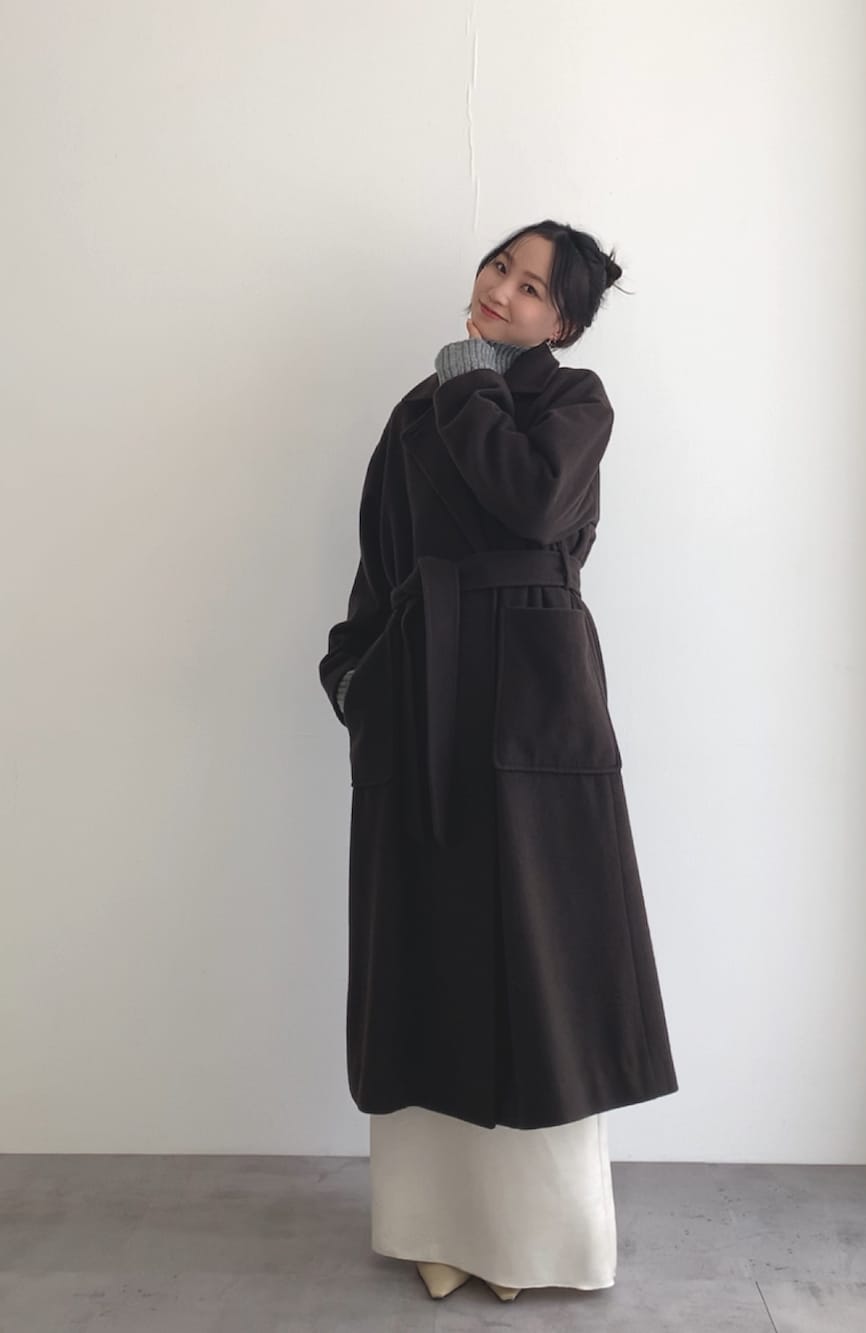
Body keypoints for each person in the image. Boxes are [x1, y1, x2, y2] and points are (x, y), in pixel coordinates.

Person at [319, 220, 679, 1301]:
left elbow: (530, 501)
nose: (501, 290)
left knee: (541, 960)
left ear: (562, 324)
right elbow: (382, 555)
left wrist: (471, 381)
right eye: (500, 268)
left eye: (531, 289)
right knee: (426, 956)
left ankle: (533, 1240)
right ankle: (432, 1226)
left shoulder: (573, 403)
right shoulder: (414, 412)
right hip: (420, 695)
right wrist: (354, 675)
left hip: (533, 704)